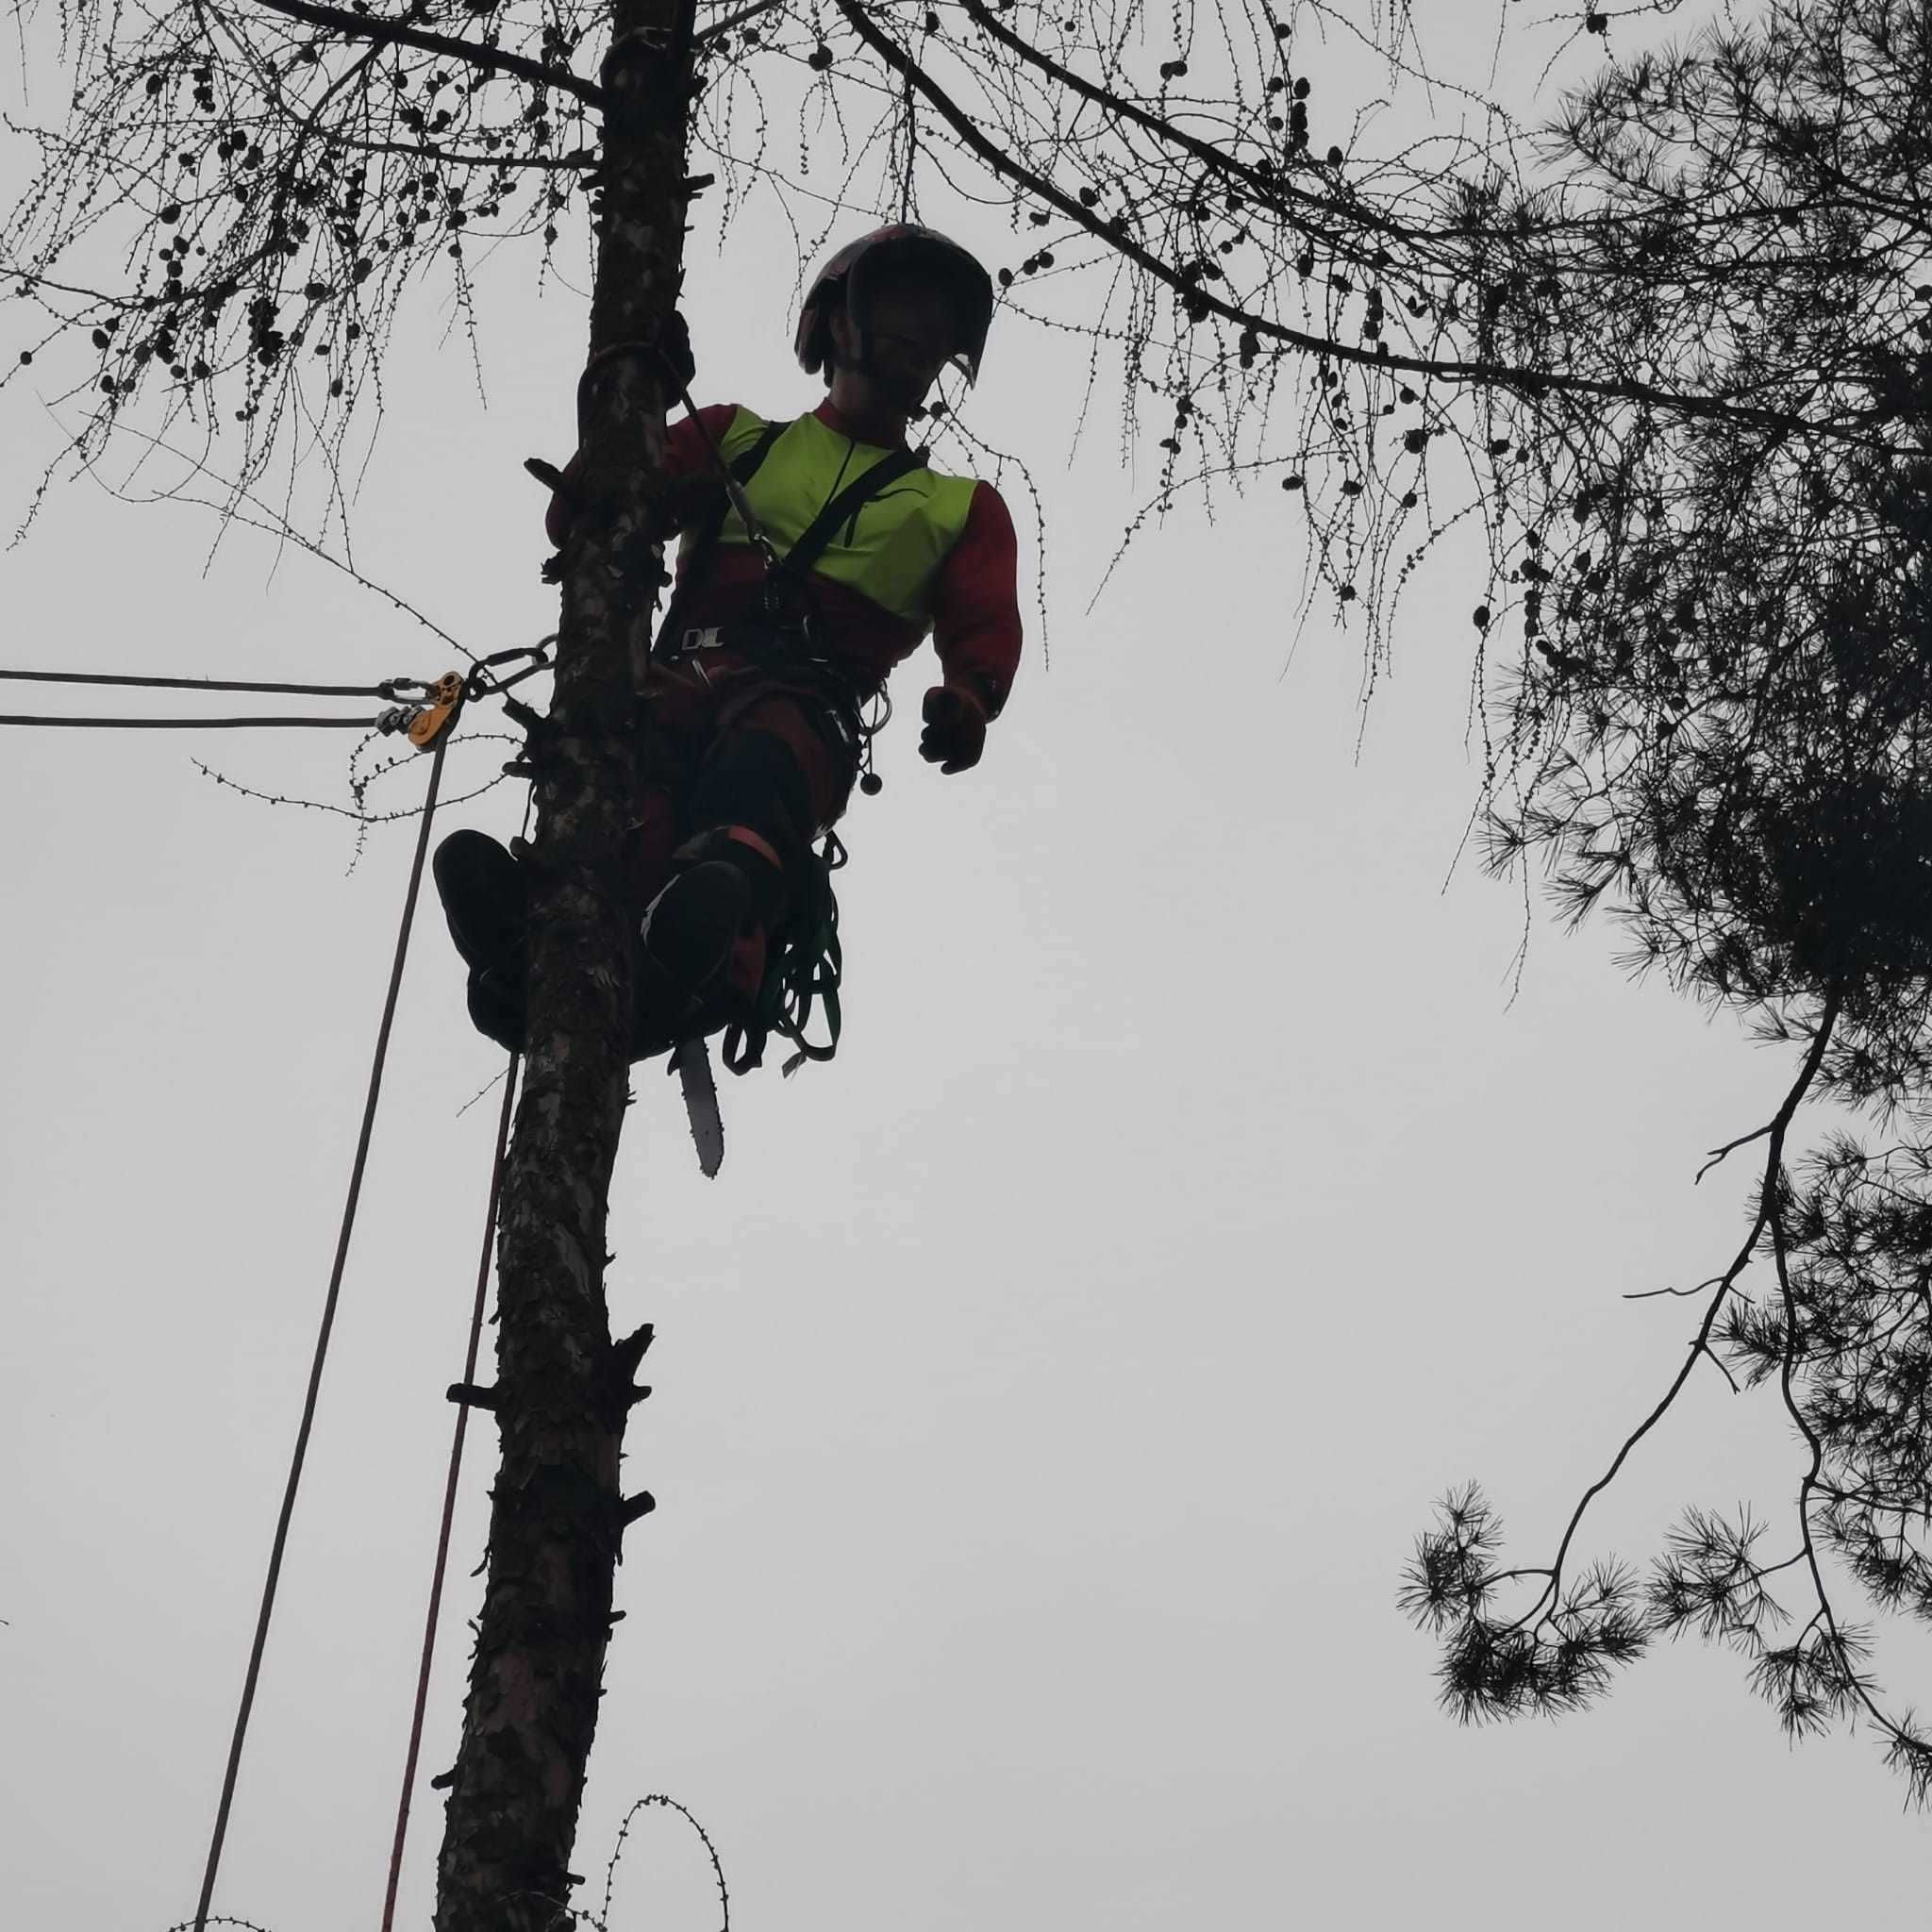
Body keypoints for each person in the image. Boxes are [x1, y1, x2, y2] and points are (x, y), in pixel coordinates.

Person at [435, 224, 1024, 1066]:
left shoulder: (961, 507)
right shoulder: (740, 438)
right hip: (673, 683)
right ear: (838, 325)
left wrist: (969, 701)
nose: (920, 335)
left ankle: (704, 942)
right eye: (901, 311)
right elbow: (586, 509)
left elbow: (982, 625)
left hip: (798, 706)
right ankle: (536, 928)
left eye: (936, 326)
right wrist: (635, 394)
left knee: (757, 773)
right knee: (623, 788)